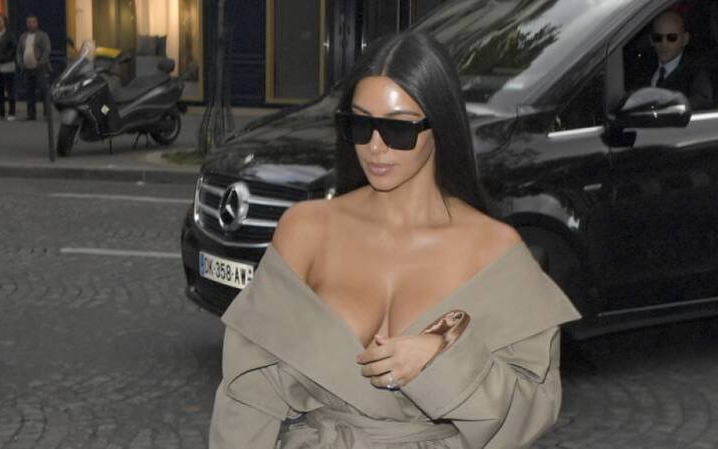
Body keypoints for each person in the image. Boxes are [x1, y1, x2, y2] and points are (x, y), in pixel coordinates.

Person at [209, 31, 580, 449]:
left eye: (398, 129)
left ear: (440, 125)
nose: (375, 147)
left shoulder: (493, 249)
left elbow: (531, 410)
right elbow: (247, 396)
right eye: (360, 124)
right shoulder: (306, 230)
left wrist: (444, 364)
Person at [635, 9, 713, 110]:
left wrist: (671, 105)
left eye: (672, 37)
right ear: (651, 40)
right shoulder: (643, 66)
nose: (664, 44)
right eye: (657, 37)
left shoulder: (696, 70)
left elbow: (702, 102)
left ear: (685, 39)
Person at [16, 14, 51, 120]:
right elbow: (19, 51)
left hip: (40, 69)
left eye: (33, 22)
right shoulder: (23, 36)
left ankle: (47, 114)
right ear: (27, 24)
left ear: (37, 23)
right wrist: (20, 63)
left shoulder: (43, 35)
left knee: (44, 91)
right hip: (27, 69)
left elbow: (47, 50)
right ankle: (31, 114)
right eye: (29, 22)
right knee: (29, 92)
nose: (31, 24)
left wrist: (41, 63)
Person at [0, 14, 17, 121]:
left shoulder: (9, 35)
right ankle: (1, 113)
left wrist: (6, 58)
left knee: (9, 89)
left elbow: (14, 49)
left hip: (7, 65)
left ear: (4, 23)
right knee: (0, 90)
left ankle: (12, 113)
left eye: (0, 21)